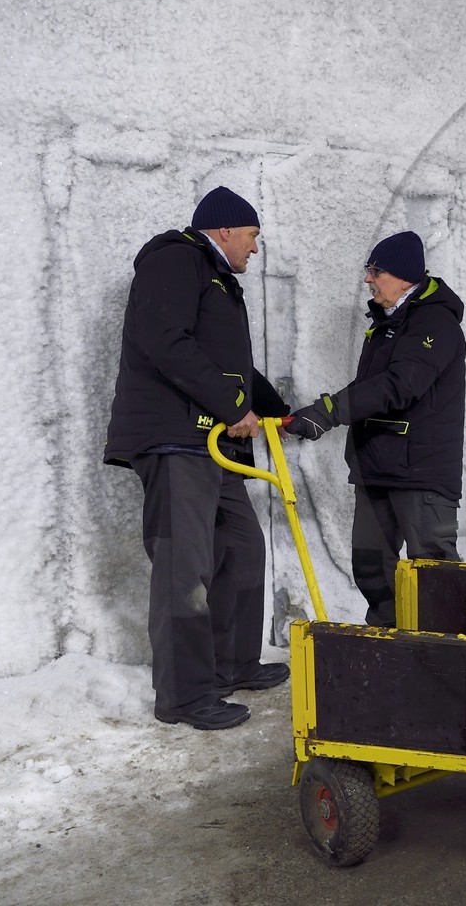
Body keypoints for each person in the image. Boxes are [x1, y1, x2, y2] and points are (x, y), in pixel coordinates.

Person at [104, 185, 292, 731]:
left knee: (241, 549)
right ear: (226, 229)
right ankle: (183, 696)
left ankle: (231, 665)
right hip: (177, 442)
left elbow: (231, 367)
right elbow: (164, 340)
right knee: (183, 569)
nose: (256, 249)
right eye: (253, 236)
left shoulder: (216, 281)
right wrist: (235, 404)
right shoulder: (176, 260)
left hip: (215, 444)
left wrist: (282, 411)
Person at [288, 230, 466, 628]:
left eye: (376, 271)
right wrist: (316, 413)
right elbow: (371, 387)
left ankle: (451, 664)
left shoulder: (434, 321)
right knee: (370, 566)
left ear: (404, 276)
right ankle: (388, 650)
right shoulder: (389, 322)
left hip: (420, 472)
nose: (368, 279)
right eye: (369, 270)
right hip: (378, 468)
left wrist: (330, 411)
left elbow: (400, 386)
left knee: (435, 574)